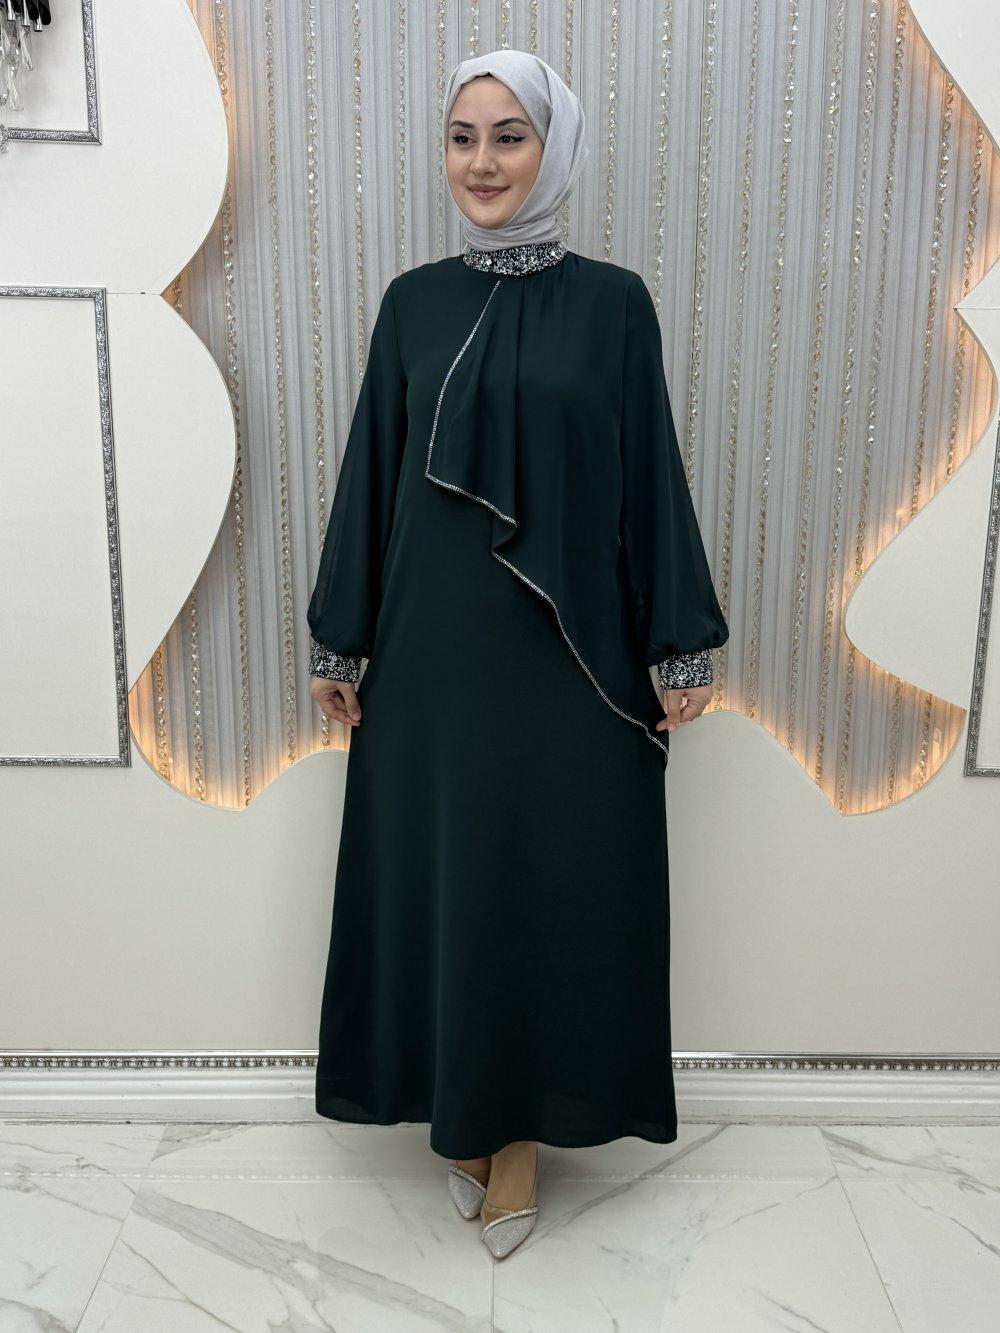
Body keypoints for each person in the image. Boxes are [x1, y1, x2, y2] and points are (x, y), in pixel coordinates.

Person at [306, 48, 729, 1260]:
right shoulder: (413, 303)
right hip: (431, 655)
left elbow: (648, 473)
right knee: (449, 878)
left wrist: (677, 643)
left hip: (571, 656)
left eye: (509, 136)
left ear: (554, 148)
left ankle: (518, 1139)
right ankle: (466, 1110)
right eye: (462, 137)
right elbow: (372, 476)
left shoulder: (615, 304)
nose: (482, 162)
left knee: (547, 885)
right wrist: (342, 634)